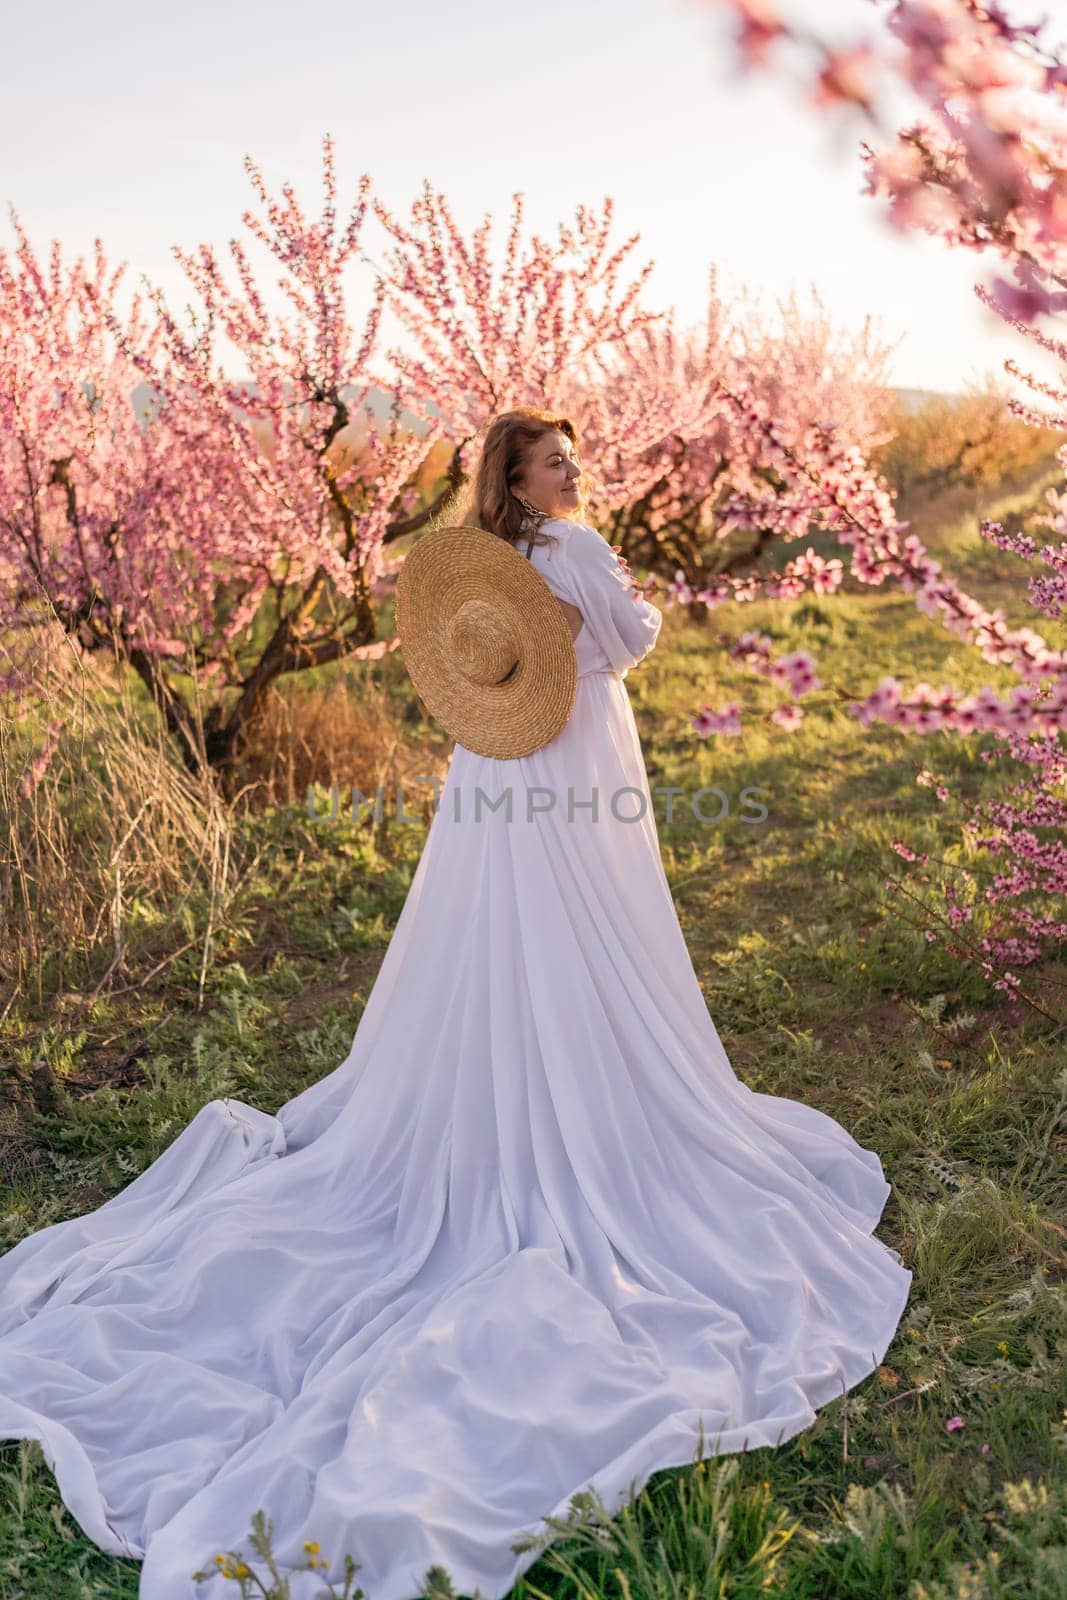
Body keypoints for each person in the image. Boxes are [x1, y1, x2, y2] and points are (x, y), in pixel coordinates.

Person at [0, 406, 911, 1600]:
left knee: (501, 932)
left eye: (575, 459)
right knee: (590, 930)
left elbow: (487, 659)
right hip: (573, 765)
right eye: (557, 462)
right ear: (520, 481)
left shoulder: (496, 567)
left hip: (499, 765)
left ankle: (514, 1076)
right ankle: (584, 1099)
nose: (576, 474)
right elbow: (631, 643)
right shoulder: (573, 552)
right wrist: (627, 620)